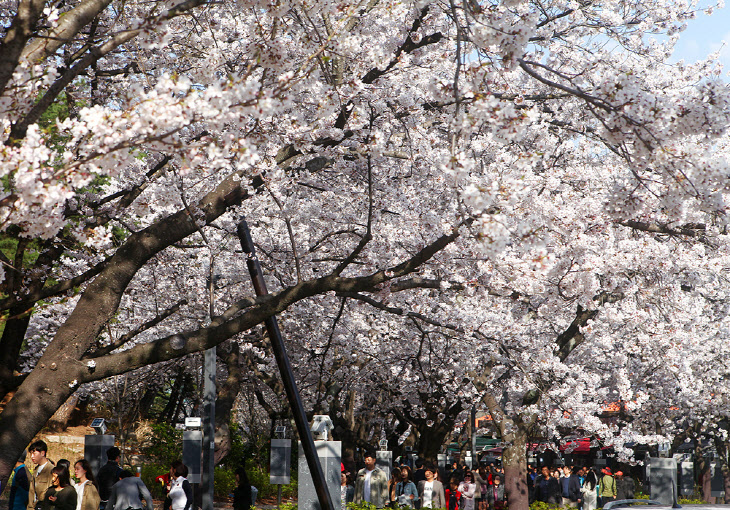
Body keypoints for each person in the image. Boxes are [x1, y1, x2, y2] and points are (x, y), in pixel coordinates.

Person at [27, 440, 55, 510]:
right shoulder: (36, 470)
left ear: (42, 453)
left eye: (34, 453)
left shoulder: (51, 470)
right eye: (31, 454)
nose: (32, 456)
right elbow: (32, 492)